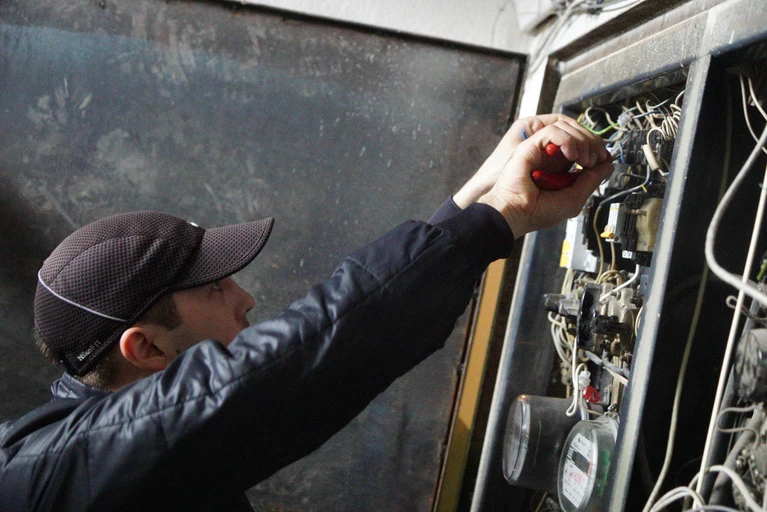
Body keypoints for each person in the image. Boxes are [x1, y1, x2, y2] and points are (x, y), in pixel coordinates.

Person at [0, 115, 612, 511]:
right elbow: (284, 368)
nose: (245, 299)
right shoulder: (48, 478)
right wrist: (495, 218)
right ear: (147, 348)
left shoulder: (96, 462)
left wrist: (477, 199)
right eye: (213, 290)